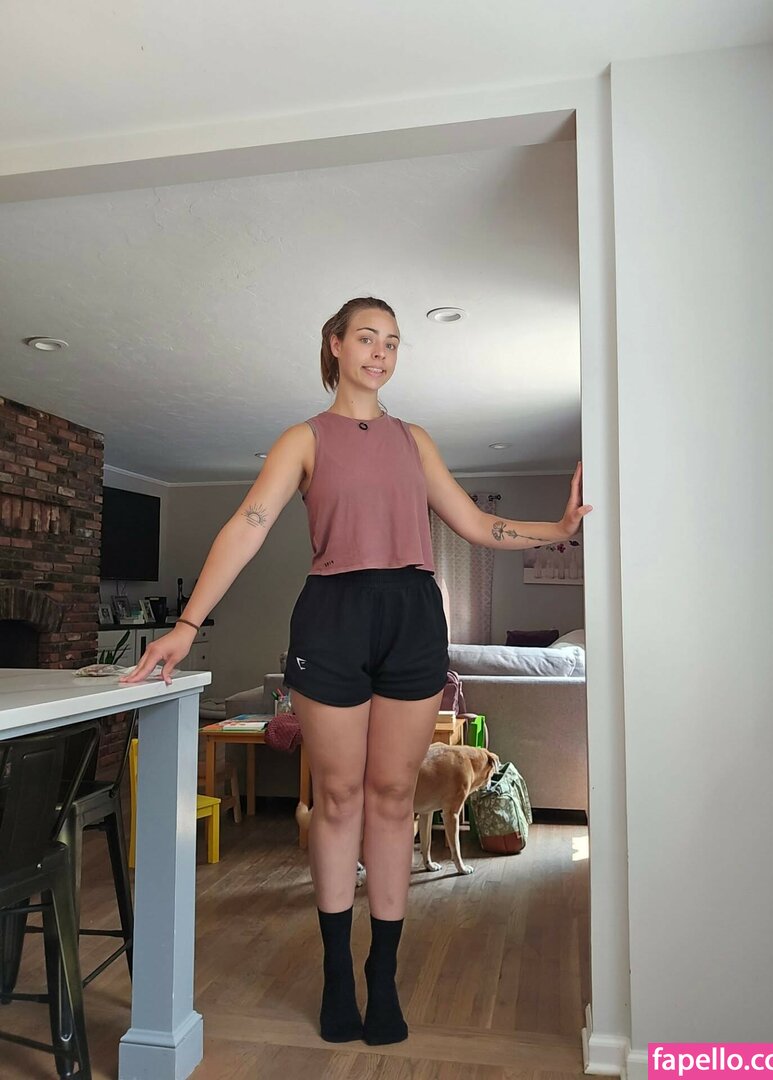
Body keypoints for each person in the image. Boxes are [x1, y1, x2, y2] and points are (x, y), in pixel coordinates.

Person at [120, 295, 593, 1046]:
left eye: (393, 342)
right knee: (339, 797)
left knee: (394, 797)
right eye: (367, 338)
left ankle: (384, 975)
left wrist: (558, 528)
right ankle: (338, 973)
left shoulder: (414, 440)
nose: (381, 352)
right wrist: (184, 625)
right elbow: (249, 524)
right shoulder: (303, 439)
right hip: (332, 616)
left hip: (412, 614)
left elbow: (475, 522)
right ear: (335, 345)